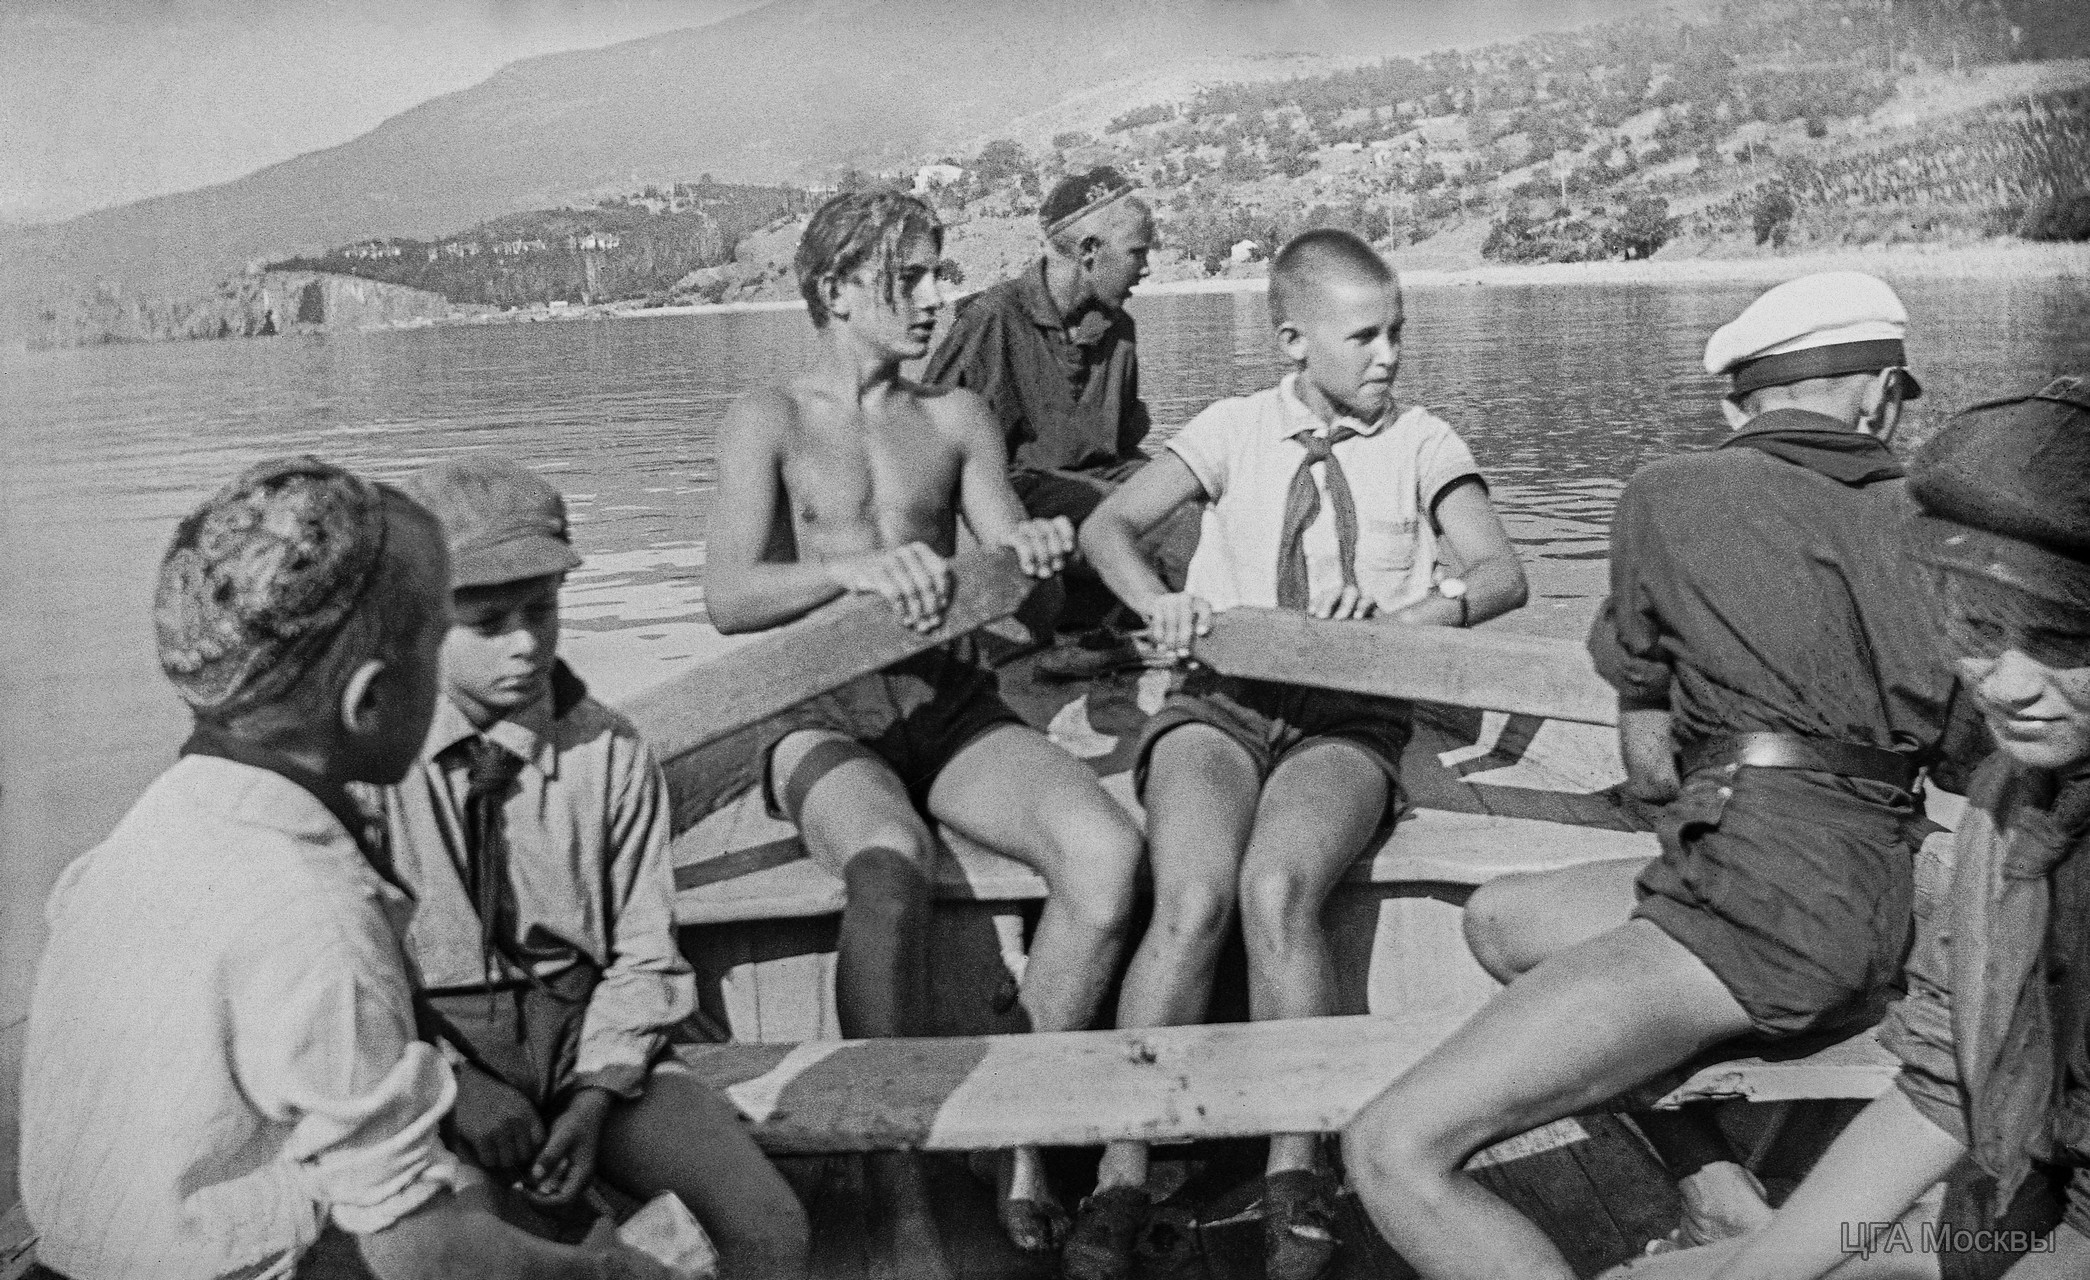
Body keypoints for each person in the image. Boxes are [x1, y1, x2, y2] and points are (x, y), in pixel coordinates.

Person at [1341, 271, 1957, 1280]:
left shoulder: (1665, 494)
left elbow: (1647, 764)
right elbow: (1968, 752)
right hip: (1879, 900)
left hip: (1757, 917)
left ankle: (1707, 1191)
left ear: (1740, 404)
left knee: (1392, 1151)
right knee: (1503, 919)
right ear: (1882, 395)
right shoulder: (1934, 526)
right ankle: (1716, 1193)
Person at [18, 458, 668, 1280]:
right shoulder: (319, 919)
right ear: (369, 703)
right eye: (431, 652)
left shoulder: (141, 837)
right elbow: (423, 1255)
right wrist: (608, 1273)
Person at [1074, 228, 1529, 1280]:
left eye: (1396, 333)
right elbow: (1106, 531)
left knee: (1277, 887)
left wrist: (1402, 621)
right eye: (1364, 337)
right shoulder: (1232, 429)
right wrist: (1159, 603)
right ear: (1293, 340)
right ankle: (1121, 1161)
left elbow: (1500, 574)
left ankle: (1294, 1162)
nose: (1388, 356)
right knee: (1190, 894)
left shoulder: (1422, 441)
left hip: (1345, 717)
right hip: (1221, 703)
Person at [703, 189, 1148, 1260]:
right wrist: (847, 571)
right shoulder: (767, 418)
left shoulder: (956, 419)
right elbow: (726, 595)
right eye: (906, 278)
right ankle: (899, 1193)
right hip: (818, 717)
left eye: (937, 273)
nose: (933, 298)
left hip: (947, 705)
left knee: (1106, 853)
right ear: (834, 290)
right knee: (888, 868)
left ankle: (1011, 1133)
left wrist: (1036, 560)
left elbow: (1018, 593)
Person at [1601, 376, 2090, 1280]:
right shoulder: (2008, 805)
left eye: (2062, 639)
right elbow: (1943, 1082)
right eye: (1977, 629)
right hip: (2016, 1209)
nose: (2008, 683)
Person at [381, 456, 811, 1279]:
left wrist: (591, 1098)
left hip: (585, 1039)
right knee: (470, 1255)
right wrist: (454, 1085)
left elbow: (644, 954)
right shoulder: (373, 768)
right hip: (431, 1053)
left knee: (769, 1226)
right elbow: (351, 984)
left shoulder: (609, 753)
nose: (525, 644)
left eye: (542, 611)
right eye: (489, 622)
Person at [923, 165, 1199, 679]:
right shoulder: (992, 320)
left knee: (1201, 498)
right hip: (1017, 496)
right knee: (1175, 525)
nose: (1146, 267)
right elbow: (932, 446)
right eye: (1137, 252)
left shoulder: (1118, 329)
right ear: (1090, 251)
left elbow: (1121, 449)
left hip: (1097, 485)